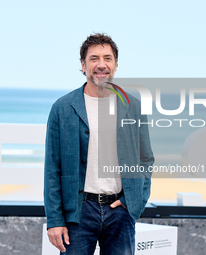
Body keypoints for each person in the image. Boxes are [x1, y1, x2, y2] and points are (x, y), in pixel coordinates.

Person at [44, 33, 154, 255]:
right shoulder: (63, 108)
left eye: (108, 58)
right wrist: (55, 220)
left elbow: (145, 160)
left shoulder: (133, 106)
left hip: (120, 212)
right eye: (94, 58)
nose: (101, 65)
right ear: (83, 65)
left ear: (115, 64)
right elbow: (52, 168)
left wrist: (134, 202)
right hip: (78, 212)